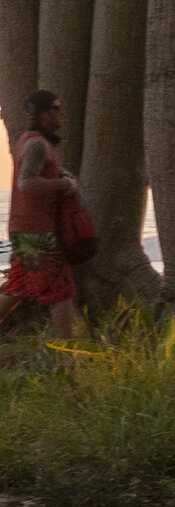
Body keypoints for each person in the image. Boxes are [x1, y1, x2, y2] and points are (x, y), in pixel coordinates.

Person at [3, 91, 83, 340]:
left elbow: (44, 172)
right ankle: (66, 353)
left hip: (24, 228)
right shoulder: (37, 144)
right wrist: (64, 186)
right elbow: (27, 182)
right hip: (36, 231)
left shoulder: (31, 141)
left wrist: (62, 176)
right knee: (62, 290)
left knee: (18, 286)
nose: (61, 114)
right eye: (56, 109)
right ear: (44, 113)